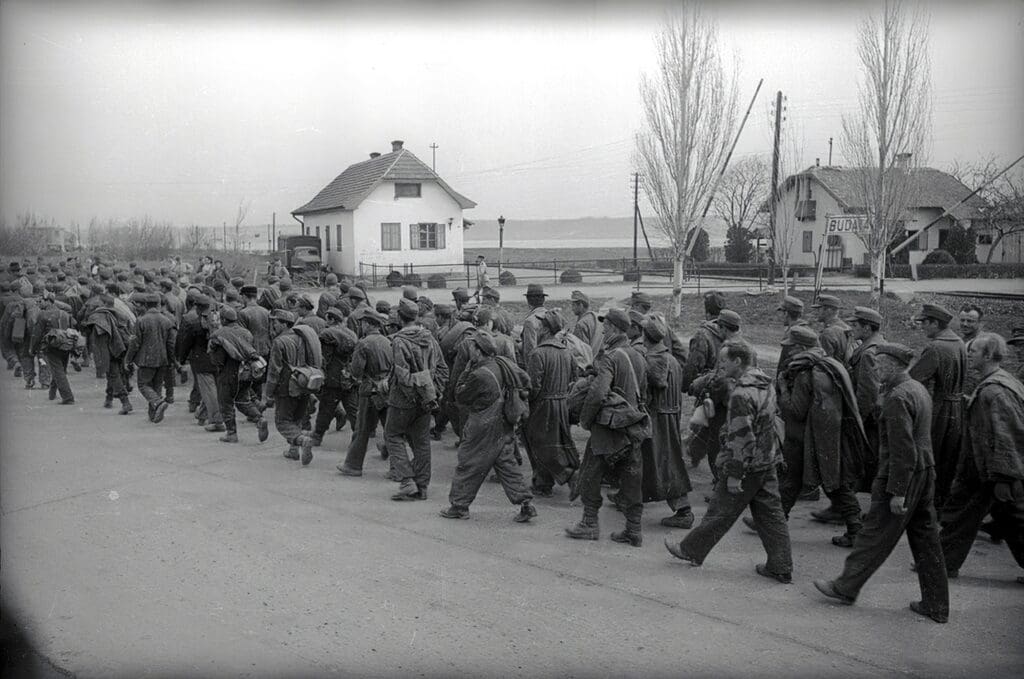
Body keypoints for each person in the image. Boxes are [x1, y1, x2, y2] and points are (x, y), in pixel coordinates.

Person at [814, 342, 949, 624]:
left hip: (902, 476)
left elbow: (902, 451)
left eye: (880, 364)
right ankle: (936, 604)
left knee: (874, 535)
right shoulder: (916, 389)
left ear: (893, 364)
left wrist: (897, 492)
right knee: (926, 541)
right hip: (924, 473)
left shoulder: (898, 397)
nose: (875, 369)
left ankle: (845, 587)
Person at [665, 340, 793, 584]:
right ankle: (781, 566)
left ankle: (690, 550)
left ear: (737, 361)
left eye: (724, 360)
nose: (720, 365)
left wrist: (735, 474)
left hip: (746, 464)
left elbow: (741, 436)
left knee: (720, 510)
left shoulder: (741, 394)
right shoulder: (766, 383)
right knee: (772, 515)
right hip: (767, 460)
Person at [938, 333, 1024, 582]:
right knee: (1009, 522)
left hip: (995, 471)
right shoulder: (1001, 382)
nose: (968, 355)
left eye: (973, 351)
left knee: (1007, 520)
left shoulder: (993, 391)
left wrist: (1003, 477)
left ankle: (943, 564)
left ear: (988, 356)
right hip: (991, 469)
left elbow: (1005, 434)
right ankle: (944, 563)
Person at [774, 326, 868, 547]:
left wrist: (782, 388)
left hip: (806, 438)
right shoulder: (829, 364)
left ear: (801, 347)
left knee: (821, 482)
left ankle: (774, 521)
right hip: (828, 436)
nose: (788, 352)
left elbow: (795, 410)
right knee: (822, 481)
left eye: (791, 347)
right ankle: (774, 520)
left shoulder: (805, 372)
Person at [565, 308, 648, 547]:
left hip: (608, 428)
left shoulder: (611, 357)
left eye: (606, 327)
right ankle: (633, 529)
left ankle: (589, 524)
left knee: (590, 474)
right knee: (632, 478)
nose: (603, 330)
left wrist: (586, 420)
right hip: (632, 425)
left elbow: (598, 393)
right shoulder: (638, 355)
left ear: (614, 329)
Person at [439, 330, 537, 523]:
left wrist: (466, 369)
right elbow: (525, 381)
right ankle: (526, 504)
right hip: (503, 423)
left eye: (472, 347)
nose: (469, 350)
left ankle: (459, 506)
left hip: (483, 425)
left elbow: (460, 395)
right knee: (506, 465)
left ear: (478, 350)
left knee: (468, 463)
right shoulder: (502, 363)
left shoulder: (479, 374)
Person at [387, 298, 448, 501]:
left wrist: (412, 394)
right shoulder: (429, 338)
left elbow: (402, 375)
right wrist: (432, 391)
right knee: (421, 442)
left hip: (403, 400)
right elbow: (442, 369)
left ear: (400, 317)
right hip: (426, 398)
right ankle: (422, 486)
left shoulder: (399, 341)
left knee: (393, 436)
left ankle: (406, 481)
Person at [909, 303, 966, 512]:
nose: (922, 327)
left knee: (927, 454)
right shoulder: (958, 342)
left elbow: (915, 378)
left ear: (935, 323)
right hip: (957, 407)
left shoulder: (936, 347)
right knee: (948, 457)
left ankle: (920, 502)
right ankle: (939, 504)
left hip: (940, 409)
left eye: (925, 323)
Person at [639, 316, 694, 529]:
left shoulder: (653, 359)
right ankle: (630, 498)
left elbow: (652, 389)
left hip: (657, 418)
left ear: (647, 336)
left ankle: (683, 510)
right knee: (663, 462)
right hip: (670, 416)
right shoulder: (671, 358)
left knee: (665, 464)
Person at [523, 308, 580, 497]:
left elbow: (534, 387)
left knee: (540, 444)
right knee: (556, 443)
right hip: (562, 403)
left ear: (546, 329)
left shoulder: (537, 354)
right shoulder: (566, 351)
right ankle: (542, 483)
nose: (538, 329)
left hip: (542, 406)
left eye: (540, 326)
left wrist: (525, 400)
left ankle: (569, 476)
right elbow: (575, 377)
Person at [337, 308, 394, 476]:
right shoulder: (388, 340)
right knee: (390, 428)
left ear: (369, 324)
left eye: (362, 323)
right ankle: (397, 467)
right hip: (386, 388)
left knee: (361, 429)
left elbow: (356, 371)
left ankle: (353, 465)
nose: (360, 326)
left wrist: (350, 375)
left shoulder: (364, 343)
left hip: (369, 390)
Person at [264, 309, 320, 465]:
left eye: (275, 322)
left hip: (286, 386)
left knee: (282, 422)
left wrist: (268, 392)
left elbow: (274, 370)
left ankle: (302, 441)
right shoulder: (303, 338)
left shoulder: (279, 342)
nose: (272, 326)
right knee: (297, 418)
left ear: (283, 324)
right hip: (304, 382)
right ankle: (293, 450)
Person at [208, 305, 268, 444]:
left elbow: (218, 360)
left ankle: (231, 433)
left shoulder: (219, 334)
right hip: (247, 373)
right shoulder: (246, 333)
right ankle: (259, 418)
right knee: (242, 400)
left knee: (225, 403)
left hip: (229, 373)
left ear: (223, 319)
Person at [311, 309, 359, 447]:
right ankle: (358, 439)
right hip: (348, 377)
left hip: (332, 378)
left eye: (327, 319)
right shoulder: (351, 333)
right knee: (353, 410)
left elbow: (325, 358)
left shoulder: (327, 334)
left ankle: (317, 436)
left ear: (331, 319)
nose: (326, 322)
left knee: (326, 408)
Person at [126, 293, 176, 423]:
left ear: (146, 305)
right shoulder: (167, 320)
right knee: (157, 385)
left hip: (146, 359)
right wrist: (173, 361)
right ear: (158, 304)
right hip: (163, 358)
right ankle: (154, 414)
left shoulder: (141, 320)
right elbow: (171, 344)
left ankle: (158, 403)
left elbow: (135, 343)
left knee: (143, 385)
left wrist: (128, 359)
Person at [178, 295, 225, 432]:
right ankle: (202, 415)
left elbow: (186, 344)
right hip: (217, 360)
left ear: (197, 308)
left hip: (201, 362)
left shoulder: (195, 324)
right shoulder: (217, 321)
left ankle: (217, 421)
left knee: (209, 392)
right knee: (211, 390)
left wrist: (181, 360)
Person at [83, 293, 132, 414]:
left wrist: (101, 358)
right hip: (121, 347)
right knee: (114, 373)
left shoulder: (98, 317)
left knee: (113, 374)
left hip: (109, 349)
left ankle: (126, 402)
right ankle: (108, 398)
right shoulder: (119, 313)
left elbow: (100, 338)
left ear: (103, 304)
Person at [29, 294, 76, 405]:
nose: (39, 304)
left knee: (58, 370)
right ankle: (52, 393)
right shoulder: (65, 313)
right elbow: (73, 327)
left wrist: (32, 349)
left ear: (48, 301)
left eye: (41, 301)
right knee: (60, 369)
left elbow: (37, 334)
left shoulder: (42, 314)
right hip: (66, 345)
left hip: (51, 345)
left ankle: (68, 397)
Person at [813, 294, 852, 363]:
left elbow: (825, 364)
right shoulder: (846, 327)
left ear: (828, 310)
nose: (815, 312)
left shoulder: (828, 333)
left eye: (819, 309)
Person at [519, 284, 548, 367]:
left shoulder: (530, 321)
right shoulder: (551, 315)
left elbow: (530, 351)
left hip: (539, 365)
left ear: (528, 300)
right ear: (543, 299)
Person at [957, 304, 983, 394]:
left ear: (979, 323)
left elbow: (974, 375)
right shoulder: (963, 340)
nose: (965, 324)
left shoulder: (982, 342)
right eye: (962, 320)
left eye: (970, 321)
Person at [569, 290, 602, 356]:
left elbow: (580, 351)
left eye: (573, 305)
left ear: (581, 305)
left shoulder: (581, 324)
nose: (572, 308)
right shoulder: (596, 317)